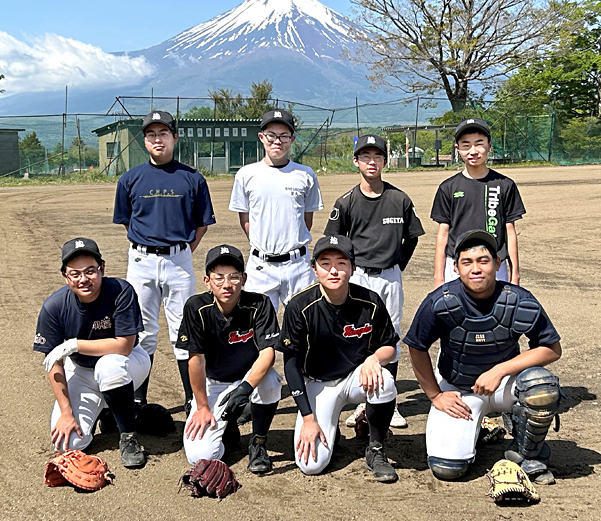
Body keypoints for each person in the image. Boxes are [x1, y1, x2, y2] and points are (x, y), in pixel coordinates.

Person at [404, 229, 562, 484]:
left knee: (539, 385)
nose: (475, 269)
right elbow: (416, 346)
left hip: (505, 386)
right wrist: (435, 395)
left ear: (497, 264)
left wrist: (499, 371)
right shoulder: (441, 301)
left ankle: (529, 454)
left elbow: (551, 349)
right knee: (448, 469)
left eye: (483, 261)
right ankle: (474, 430)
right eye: (467, 262)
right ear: (456, 268)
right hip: (460, 389)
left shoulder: (518, 299)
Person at [113, 110, 216, 412]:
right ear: (145, 141)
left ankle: (190, 397)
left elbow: (202, 223)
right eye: (151, 135)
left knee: (183, 330)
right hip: (141, 260)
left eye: (163, 133)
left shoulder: (192, 178)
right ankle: (138, 396)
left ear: (175, 137)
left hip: (178, 260)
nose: (158, 139)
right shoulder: (130, 179)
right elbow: (126, 222)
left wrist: (184, 252)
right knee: (142, 331)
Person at [278, 235, 400, 482]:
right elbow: (291, 365)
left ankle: (375, 448)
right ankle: (329, 431)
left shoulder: (370, 301)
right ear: (314, 269)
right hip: (316, 383)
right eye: (325, 263)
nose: (333, 270)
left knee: (385, 380)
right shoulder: (299, 306)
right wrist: (308, 418)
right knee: (311, 465)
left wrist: (374, 358)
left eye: (341, 263)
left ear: (353, 268)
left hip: (355, 377)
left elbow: (390, 347)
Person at [325, 134, 425, 429]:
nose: (372, 161)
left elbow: (412, 237)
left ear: (385, 161)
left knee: (389, 336)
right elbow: (333, 243)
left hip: (389, 276)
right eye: (365, 156)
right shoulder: (346, 202)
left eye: (377, 156)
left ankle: (386, 403)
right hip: (357, 276)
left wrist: (396, 264)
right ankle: (358, 399)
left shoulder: (399, 199)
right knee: (354, 333)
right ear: (356, 161)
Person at [34, 238, 151, 468]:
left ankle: (128, 436)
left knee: (109, 367)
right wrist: (66, 412)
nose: (83, 279)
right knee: (67, 443)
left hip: (128, 362)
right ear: (65, 276)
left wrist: (76, 344)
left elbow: (124, 346)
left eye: (90, 271)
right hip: (82, 370)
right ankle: (109, 408)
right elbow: (54, 365)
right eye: (75, 273)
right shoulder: (54, 306)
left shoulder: (120, 290)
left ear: (102, 269)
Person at [178, 245, 282, 474]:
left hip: (247, 380)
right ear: (207, 281)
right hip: (213, 384)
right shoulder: (196, 307)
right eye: (219, 277)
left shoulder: (260, 304)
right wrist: (203, 407)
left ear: (244, 278)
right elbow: (195, 360)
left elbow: (268, 353)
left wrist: (245, 387)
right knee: (200, 457)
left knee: (271, 381)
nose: (227, 284)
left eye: (234, 276)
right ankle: (227, 427)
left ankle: (258, 443)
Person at [229, 108, 323, 311]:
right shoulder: (246, 174)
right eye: (271, 135)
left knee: (303, 324)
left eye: (283, 136)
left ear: (292, 139)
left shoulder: (305, 174)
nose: (277, 141)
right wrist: (262, 244)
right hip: (261, 266)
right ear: (262, 137)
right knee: (259, 326)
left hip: (297, 265)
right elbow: (245, 219)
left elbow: (306, 219)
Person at [431, 118, 526, 289]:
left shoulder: (504, 184)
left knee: (498, 312)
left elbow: (510, 232)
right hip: (457, 265)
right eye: (466, 145)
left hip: (494, 264)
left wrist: (515, 275)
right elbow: (443, 234)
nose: (473, 151)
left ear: (489, 145)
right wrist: (439, 277)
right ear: (457, 149)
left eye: (479, 143)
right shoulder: (447, 187)